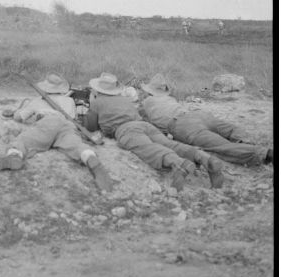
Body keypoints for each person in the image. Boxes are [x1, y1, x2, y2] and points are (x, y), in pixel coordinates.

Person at [83, 72, 225, 191]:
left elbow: (90, 128)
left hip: (126, 129)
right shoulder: (125, 99)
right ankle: (204, 158)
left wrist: (90, 105)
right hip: (145, 126)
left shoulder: (97, 103)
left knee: (148, 148)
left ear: (97, 90)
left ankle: (178, 164)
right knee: (170, 144)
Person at [0, 73, 114, 192]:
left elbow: (19, 117)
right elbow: (72, 117)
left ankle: (14, 155)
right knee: (76, 145)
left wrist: (18, 112)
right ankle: (89, 157)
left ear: (46, 88)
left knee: (24, 140)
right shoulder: (69, 101)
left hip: (47, 122)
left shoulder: (38, 101)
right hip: (66, 125)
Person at [139, 74, 273, 167]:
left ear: (149, 91)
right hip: (199, 115)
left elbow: (142, 120)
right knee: (230, 129)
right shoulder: (169, 99)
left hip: (183, 125)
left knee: (221, 146)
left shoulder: (146, 102)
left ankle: (265, 154)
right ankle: (246, 140)